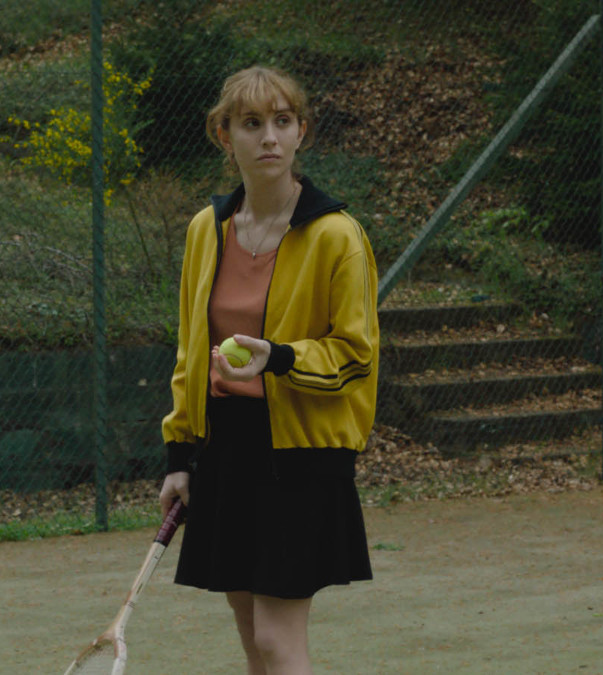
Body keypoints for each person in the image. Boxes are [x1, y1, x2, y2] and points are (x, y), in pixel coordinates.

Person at [159, 65, 380, 675]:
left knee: (278, 642)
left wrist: (279, 357)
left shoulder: (338, 236)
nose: (269, 138)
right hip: (225, 451)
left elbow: (356, 355)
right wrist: (179, 457)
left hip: (300, 457)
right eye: (251, 123)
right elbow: (189, 352)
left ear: (302, 131)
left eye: (282, 121)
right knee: (252, 637)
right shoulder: (206, 230)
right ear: (224, 136)